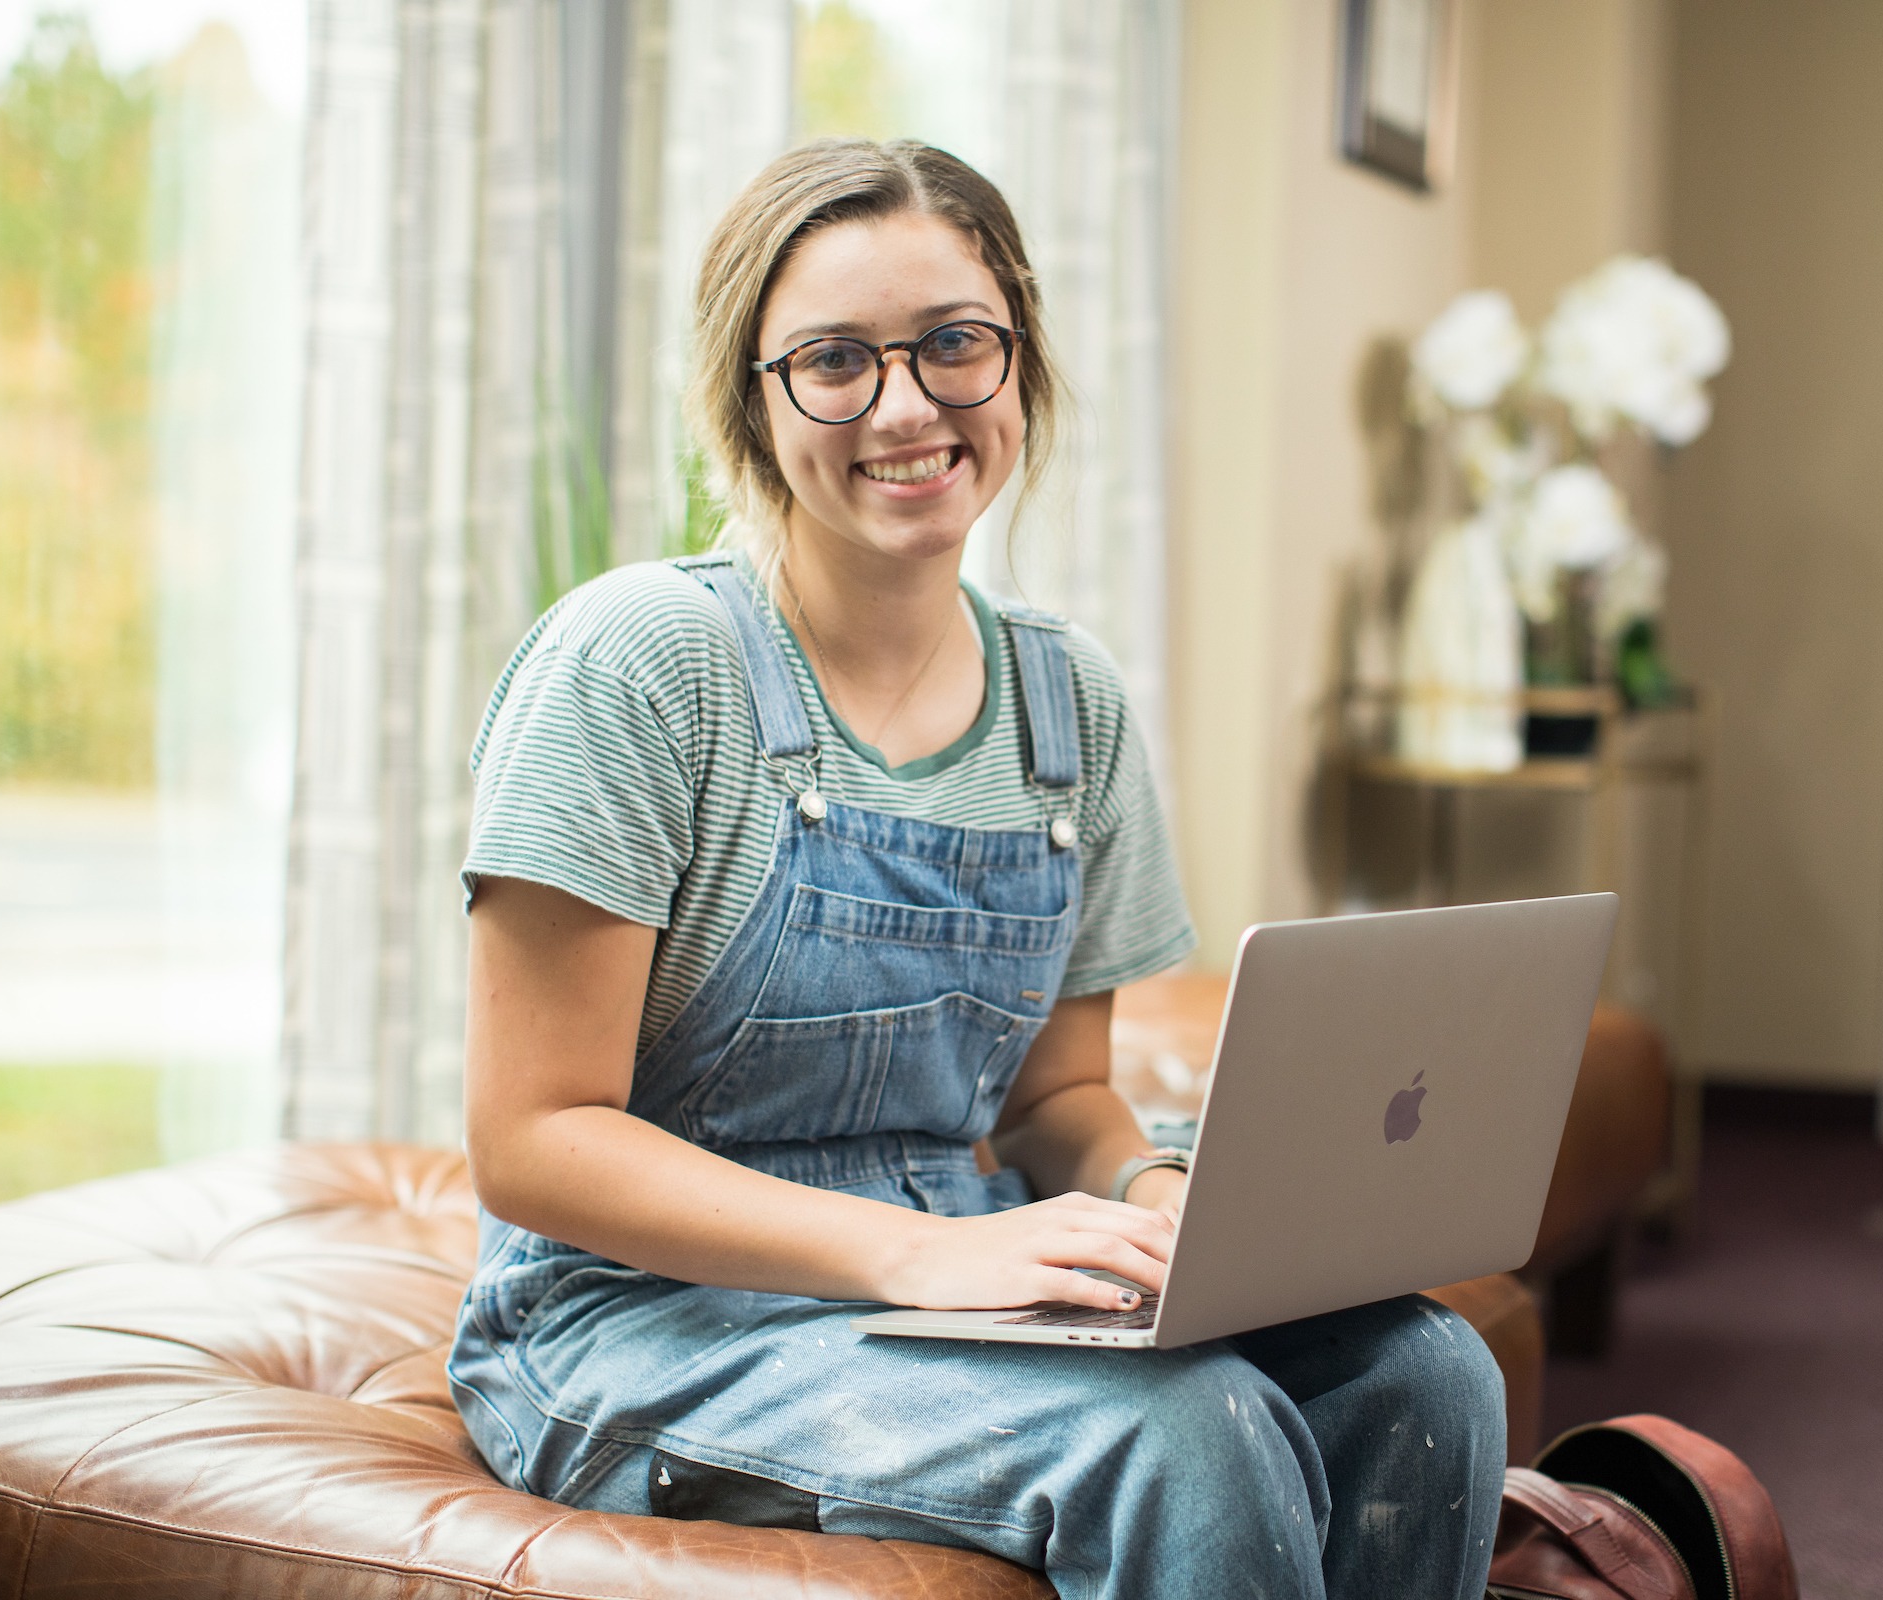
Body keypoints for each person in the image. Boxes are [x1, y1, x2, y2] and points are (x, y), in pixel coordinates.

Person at [446, 137, 1507, 1600]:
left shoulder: (1072, 704)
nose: (905, 406)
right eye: (833, 361)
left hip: (955, 1278)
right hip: (638, 1325)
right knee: (1180, 1434)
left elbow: (1050, 1099)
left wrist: (1153, 1195)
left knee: (1427, 1374)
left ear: (1018, 363)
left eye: (954, 345)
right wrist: (910, 1256)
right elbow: (536, 1138)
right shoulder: (635, 664)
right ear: (753, 401)